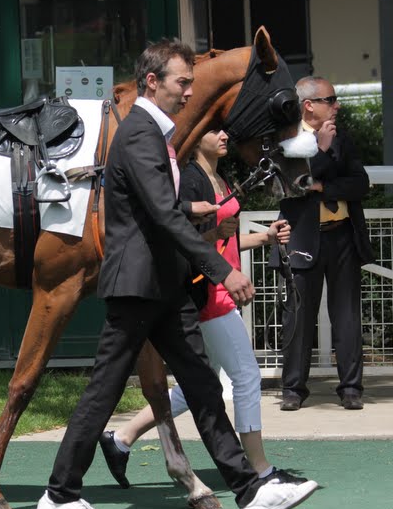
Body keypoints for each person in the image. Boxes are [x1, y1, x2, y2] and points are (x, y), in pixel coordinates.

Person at [34, 38, 318, 509]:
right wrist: (223, 268)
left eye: (190, 81)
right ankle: (59, 496)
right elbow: (160, 214)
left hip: (161, 284)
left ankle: (250, 492)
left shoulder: (153, 134)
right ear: (152, 82)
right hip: (139, 283)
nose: (190, 92)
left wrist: (192, 208)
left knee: (204, 386)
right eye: (181, 82)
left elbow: (154, 204)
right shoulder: (142, 133)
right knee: (104, 390)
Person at [98, 129, 307, 487]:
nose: (225, 134)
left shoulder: (220, 178)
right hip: (207, 294)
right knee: (246, 376)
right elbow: (184, 242)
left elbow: (225, 240)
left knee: (199, 383)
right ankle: (260, 469)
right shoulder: (191, 182)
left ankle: (121, 438)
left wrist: (266, 237)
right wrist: (220, 238)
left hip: (219, 289)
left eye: (226, 130)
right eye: (215, 130)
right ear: (195, 141)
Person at [271, 76, 374, 412]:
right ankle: (293, 389)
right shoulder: (286, 137)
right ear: (309, 105)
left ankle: (351, 388)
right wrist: (324, 149)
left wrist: (322, 187)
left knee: (347, 315)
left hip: (343, 233)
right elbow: (291, 183)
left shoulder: (340, 134)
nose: (337, 106)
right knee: (299, 315)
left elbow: (360, 183)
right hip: (302, 236)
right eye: (331, 99)